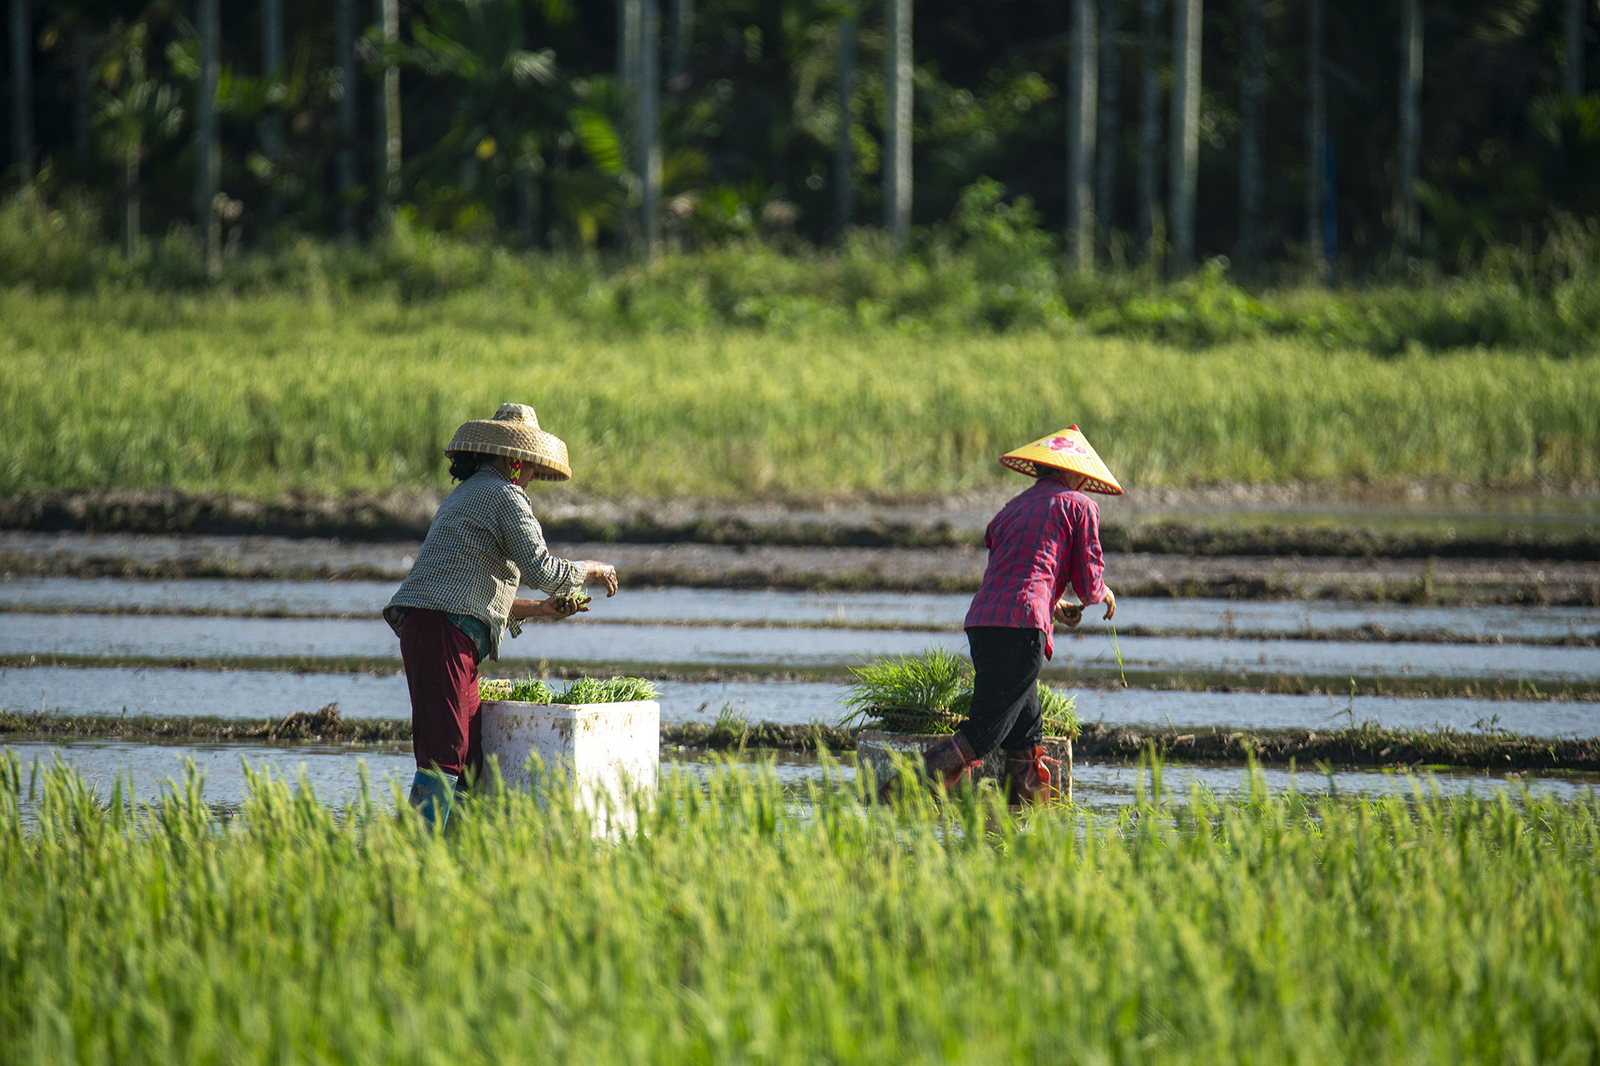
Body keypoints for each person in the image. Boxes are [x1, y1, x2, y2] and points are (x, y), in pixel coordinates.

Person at [383, 402, 619, 830]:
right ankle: (410, 856)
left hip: (443, 627)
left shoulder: (472, 492)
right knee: (446, 751)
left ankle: (460, 853)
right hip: (442, 631)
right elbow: (544, 571)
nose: (531, 476)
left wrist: (544, 610)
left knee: (469, 756)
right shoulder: (503, 495)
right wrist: (592, 568)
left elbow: (477, 595)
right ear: (514, 461)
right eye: (529, 466)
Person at [889, 425, 1121, 807]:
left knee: (1025, 731)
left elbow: (1017, 568)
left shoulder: (1010, 509)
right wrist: (1102, 592)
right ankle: (894, 795)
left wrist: (1052, 604)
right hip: (1020, 627)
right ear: (1078, 473)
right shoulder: (1080, 506)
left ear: (1040, 470)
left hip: (985, 620)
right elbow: (1088, 581)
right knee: (984, 733)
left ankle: (1022, 819)